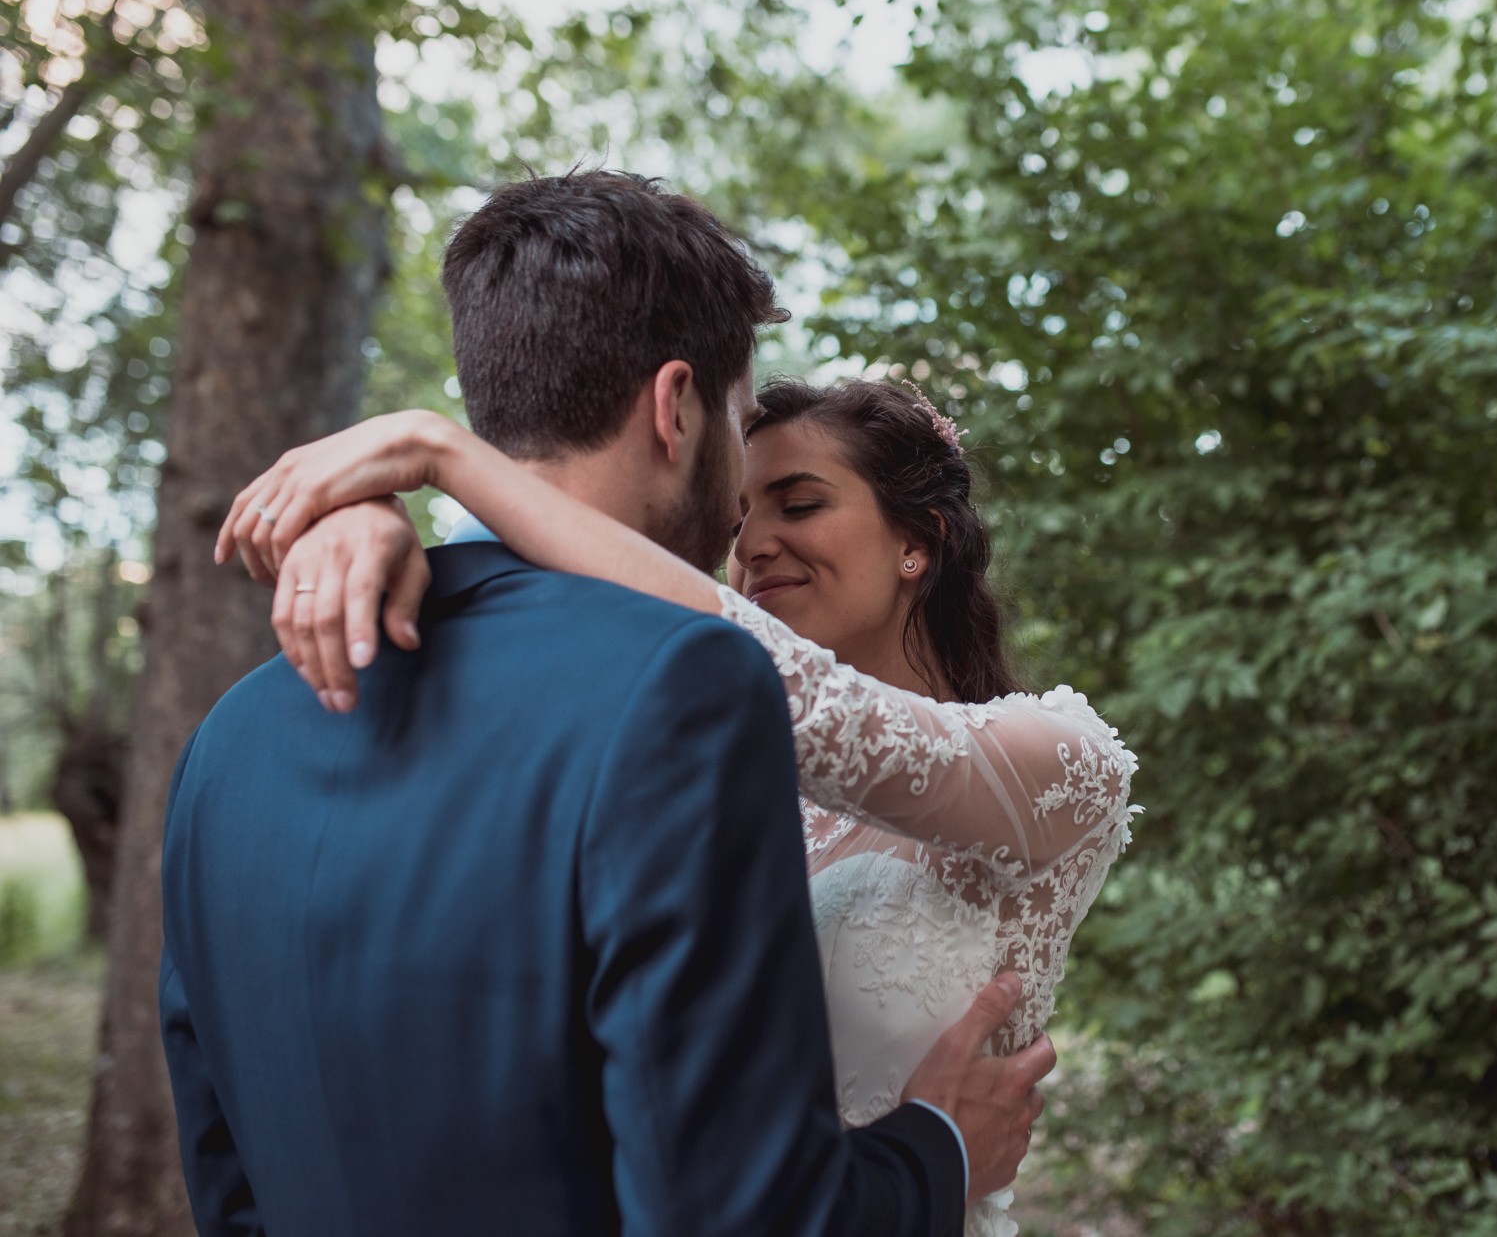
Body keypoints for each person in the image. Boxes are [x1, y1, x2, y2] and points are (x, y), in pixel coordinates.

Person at [160, 172, 1063, 1237]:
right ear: (675, 408)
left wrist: (423, 476)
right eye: (740, 428)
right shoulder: (683, 687)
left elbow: (226, 1176)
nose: (746, 527)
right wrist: (936, 1148)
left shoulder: (234, 736)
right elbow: (742, 1212)